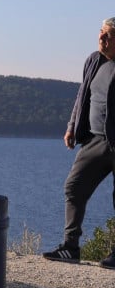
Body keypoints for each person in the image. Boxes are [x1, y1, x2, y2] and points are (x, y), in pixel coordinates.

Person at [43, 18, 115, 269]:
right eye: (101, 33)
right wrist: (72, 126)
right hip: (95, 139)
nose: (101, 39)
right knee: (74, 187)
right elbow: (82, 94)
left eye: (108, 35)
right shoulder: (94, 60)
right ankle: (70, 247)